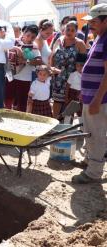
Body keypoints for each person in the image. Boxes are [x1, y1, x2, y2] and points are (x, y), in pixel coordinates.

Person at [72, 4, 107, 184]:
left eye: (94, 22)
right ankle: (89, 160)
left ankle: (94, 172)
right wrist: (85, 93)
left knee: (96, 133)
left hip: (99, 99)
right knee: (89, 132)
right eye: (89, 22)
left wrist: (97, 99)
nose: (90, 25)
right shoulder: (99, 38)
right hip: (90, 96)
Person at [51, 21, 87, 118]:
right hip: (57, 78)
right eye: (68, 29)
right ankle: (54, 123)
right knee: (57, 101)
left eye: (72, 30)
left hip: (73, 79)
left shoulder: (80, 44)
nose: (69, 32)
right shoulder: (59, 40)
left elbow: (84, 64)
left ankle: (67, 126)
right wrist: (52, 68)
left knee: (70, 104)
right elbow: (52, 56)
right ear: (64, 30)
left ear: (76, 32)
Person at [5, 24, 42, 112]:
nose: (29, 39)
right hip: (10, 76)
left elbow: (39, 61)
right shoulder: (13, 42)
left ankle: (20, 123)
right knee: (7, 100)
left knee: (22, 104)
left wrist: (26, 61)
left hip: (25, 79)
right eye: (28, 35)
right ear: (23, 33)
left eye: (32, 37)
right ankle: (6, 120)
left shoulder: (34, 46)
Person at [65, 53, 87, 118]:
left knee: (81, 112)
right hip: (72, 94)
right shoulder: (73, 75)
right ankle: (68, 125)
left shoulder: (86, 75)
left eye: (82, 66)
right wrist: (66, 97)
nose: (79, 67)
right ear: (75, 66)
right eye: (77, 65)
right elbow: (67, 86)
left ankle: (81, 126)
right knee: (70, 112)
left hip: (81, 95)